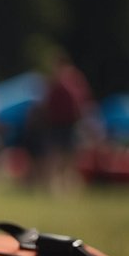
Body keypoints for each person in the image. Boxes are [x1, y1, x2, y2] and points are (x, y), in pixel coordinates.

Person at [39, 49, 95, 193]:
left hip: (69, 123)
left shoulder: (70, 79)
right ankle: (56, 187)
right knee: (58, 156)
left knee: (68, 157)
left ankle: (66, 187)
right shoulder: (56, 81)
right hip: (57, 123)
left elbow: (81, 102)